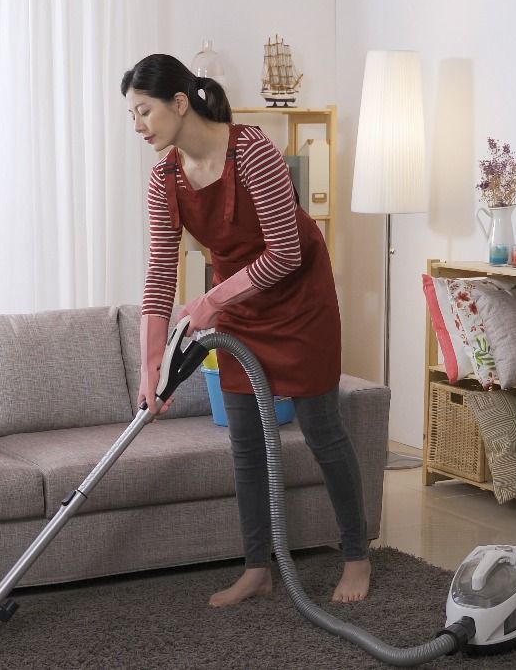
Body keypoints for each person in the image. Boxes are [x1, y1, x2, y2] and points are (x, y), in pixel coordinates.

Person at [121, 54, 370, 607]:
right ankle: (257, 567)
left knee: (323, 432)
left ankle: (356, 555)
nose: (137, 126)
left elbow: (284, 252)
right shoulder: (164, 177)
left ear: (179, 103)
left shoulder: (251, 150)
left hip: (299, 296)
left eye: (144, 111)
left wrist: (210, 300)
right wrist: (149, 369)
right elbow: (161, 271)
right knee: (246, 444)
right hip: (238, 302)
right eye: (132, 115)